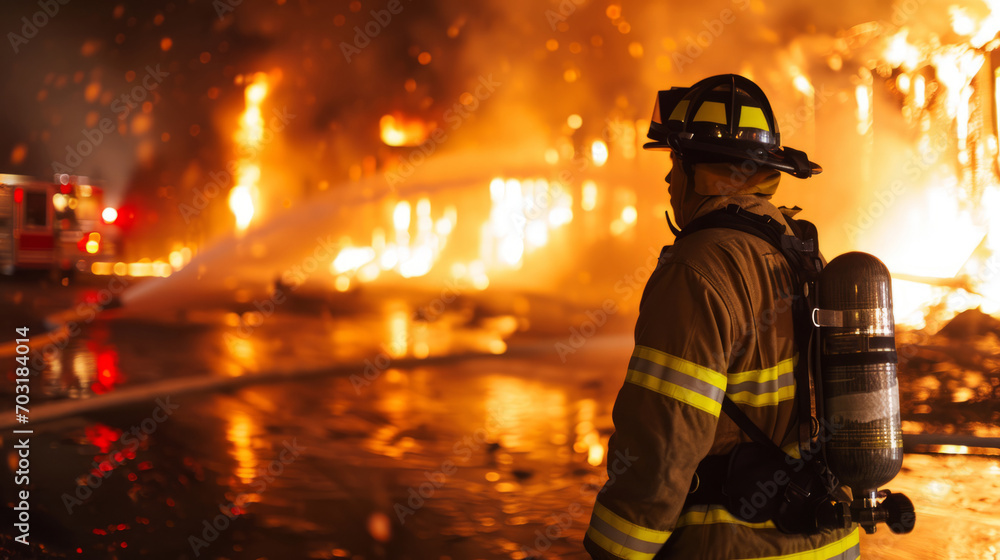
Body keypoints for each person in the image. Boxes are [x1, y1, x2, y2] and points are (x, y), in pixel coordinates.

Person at [582, 74, 860, 559]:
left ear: (701, 170)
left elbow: (663, 439)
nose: (668, 179)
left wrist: (615, 550)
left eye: (675, 161)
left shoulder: (697, 268)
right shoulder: (798, 249)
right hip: (830, 543)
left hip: (737, 546)